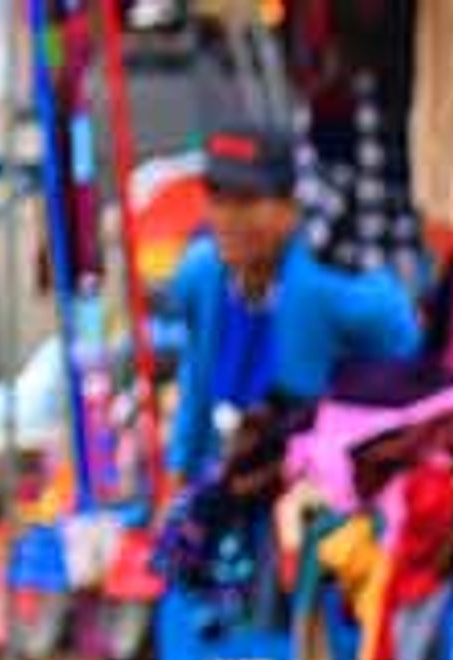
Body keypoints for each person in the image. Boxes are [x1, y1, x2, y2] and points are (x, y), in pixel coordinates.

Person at [158, 118, 417, 489]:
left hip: (328, 485)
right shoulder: (202, 274)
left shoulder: (330, 287)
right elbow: (197, 379)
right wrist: (178, 480)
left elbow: (400, 342)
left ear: (291, 209)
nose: (229, 217)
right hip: (241, 481)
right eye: (218, 198)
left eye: (247, 200)